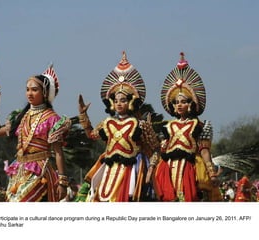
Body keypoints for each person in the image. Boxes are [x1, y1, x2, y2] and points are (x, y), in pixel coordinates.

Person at [76, 51, 160, 202]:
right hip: (109, 169)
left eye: (123, 100)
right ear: (112, 103)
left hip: (131, 172)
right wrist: (83, 116)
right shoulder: (107, 123)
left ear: (131, 102)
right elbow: (92, 136)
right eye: (116, 100)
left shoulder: (140, 125)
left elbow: (155, 149)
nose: (119, 103)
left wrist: (151, 169)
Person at [0, 64, 71, 202]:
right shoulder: (21, 117)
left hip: (40, 171)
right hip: (19, 170)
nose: (29, 93)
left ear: (44, 93)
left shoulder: (52, 119)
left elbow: (58, 152)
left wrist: (62, 181)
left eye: (34, 90)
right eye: (27, 90)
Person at [152, 52, 222, 202]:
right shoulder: (168, 126)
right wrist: (151, 167)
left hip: (190, 169)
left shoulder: (199, 125)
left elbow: (204, 151)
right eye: (176, 102)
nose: (179, 105)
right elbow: (161, 149)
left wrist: (211, 172)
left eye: (183, 101)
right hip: (168, 169)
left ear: (190, 104)